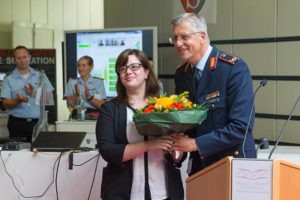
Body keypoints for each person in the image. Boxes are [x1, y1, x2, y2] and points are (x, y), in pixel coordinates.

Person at [169, 13, 256, 176]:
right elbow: (186, 121)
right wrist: (176, 144)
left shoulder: (233, 68)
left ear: (202, 36)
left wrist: (195, 144)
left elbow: (241, 127)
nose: (178, 44)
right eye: (174, 38)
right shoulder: (182, 74)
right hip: (200, 168)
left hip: (233, 166)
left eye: (184, 37)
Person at [96, 49, 184, 200]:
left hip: (164, 191)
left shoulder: (165, 106)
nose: (128, 72)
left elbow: (178, 158)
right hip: (124, 192)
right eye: (122, 68)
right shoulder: (110, 109)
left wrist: (176, 147)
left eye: (134, 67)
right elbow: (108, 151)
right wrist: (151, 145)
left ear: (146, 72)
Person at [0, 45, 54, 142]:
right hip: (17, 124)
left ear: (29, 57)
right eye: (18, 58)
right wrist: (17, 101)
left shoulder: (41, 76)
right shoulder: (8, 79)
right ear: (14, 60)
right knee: (18, 155)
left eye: (24, 57)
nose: (22, 60)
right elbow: (5, 103)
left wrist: (33, 92)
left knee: (40, 154)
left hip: (38, 123)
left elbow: (49, 99)